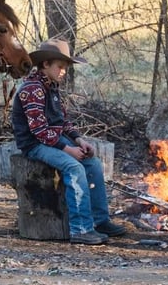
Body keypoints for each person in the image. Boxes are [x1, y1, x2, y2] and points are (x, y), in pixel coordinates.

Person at [11, 38, 127, 245]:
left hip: (54, 140)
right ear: (45, 64)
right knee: (74, 168)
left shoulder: (52, 87)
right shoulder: (32, 89)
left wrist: (79, 140)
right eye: (60, 67)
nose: (63, 72)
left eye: (65, 68)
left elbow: (63, 121)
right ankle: (80, 229)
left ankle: (100, 221)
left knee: (93, 164)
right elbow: (39, 130)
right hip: (35, 144)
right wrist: (68, 150)